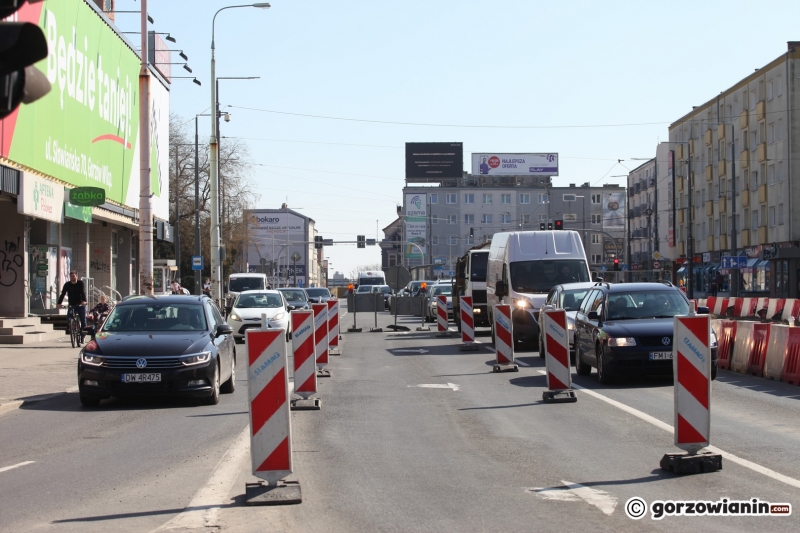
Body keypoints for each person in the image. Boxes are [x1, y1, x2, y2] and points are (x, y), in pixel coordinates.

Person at [57, 270, 87, 345]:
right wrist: (59, 303)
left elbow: (83, 293)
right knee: (69, 317)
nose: (72, 277)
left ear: (77, 276)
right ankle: (73, 327)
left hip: (80, 304)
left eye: (73, 276)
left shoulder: (80, 283)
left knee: (83, 321)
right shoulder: (67, 284)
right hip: (72, 304)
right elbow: (63, 294)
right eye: (71, 276)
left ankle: (82, 336)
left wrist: (84, 301)